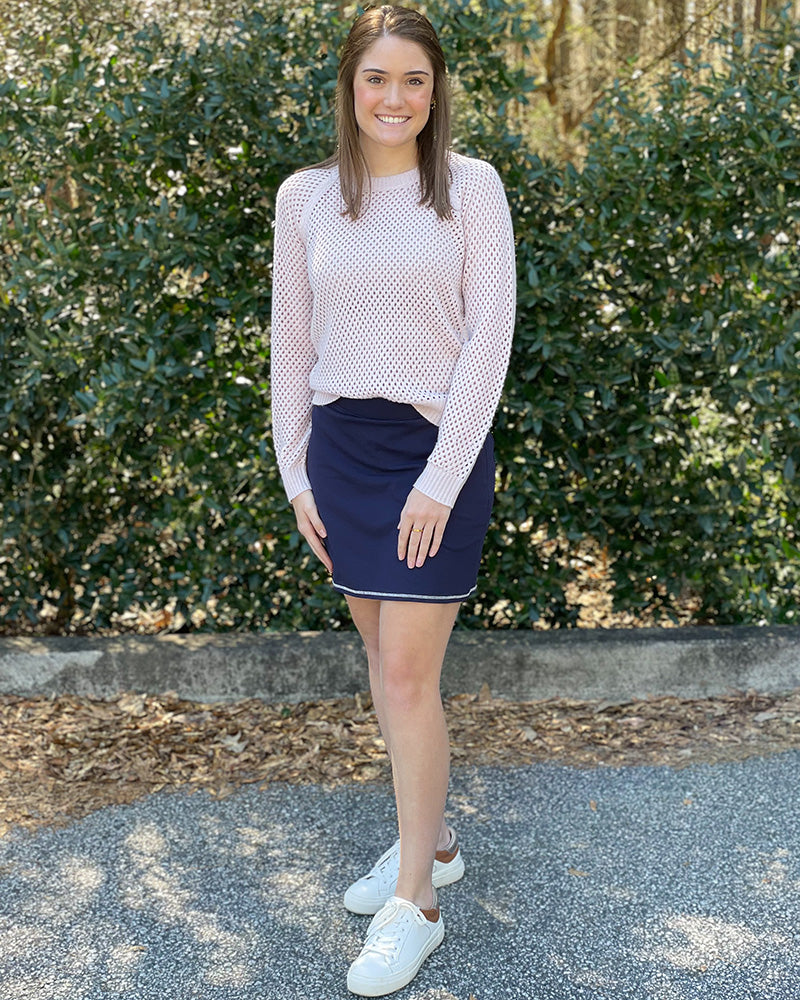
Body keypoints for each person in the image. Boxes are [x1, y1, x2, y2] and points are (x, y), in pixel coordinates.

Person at [270, 4, 516, 995]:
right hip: (341, 454)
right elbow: (291, 342)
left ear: (435, 90)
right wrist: (295, 472)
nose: (394, 97)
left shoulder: (471, 187)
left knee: (408, 681)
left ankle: (417, 903)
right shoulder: (304, 197)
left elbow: (490, 335)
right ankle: (434, 844)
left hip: (432, 454)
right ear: (349, 86)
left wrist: (440, 480)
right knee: (381, 665)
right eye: (376, 77)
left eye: (414, 79)